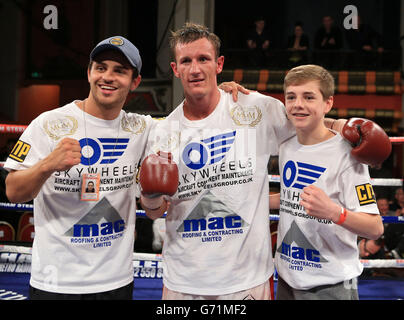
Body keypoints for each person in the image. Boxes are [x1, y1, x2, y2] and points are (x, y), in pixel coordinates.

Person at [139, 23, 388, 300]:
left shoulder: (253, 107)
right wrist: (150, 197)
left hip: (248, 279)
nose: (195, 69)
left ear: (219, 63)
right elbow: (153, 211)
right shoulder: (162, 133)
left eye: (203, 59)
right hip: (183, 280)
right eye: (186, 61)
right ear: (175, 69)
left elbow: (305, 120)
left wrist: (345, 127)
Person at [4, 36, 154, 300]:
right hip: (56, 283)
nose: (108, 76)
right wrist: (47, 165)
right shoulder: (47, 124)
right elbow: (13, 192)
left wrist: (224, 94)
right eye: (101, 67)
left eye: (119, 71)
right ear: (89, 73)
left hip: (115, 282)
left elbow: (192, 120)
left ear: (135, 82)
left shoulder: (141, 128)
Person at [271, 64, 385, 300]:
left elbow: (375, 228)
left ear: (328, 103)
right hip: (286, 279)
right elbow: (292, 198)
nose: (298, 104)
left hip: (330, 285)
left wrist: (335, 212)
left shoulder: (347, 155)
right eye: (291, 97)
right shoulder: (286, 143)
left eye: (309, 97)